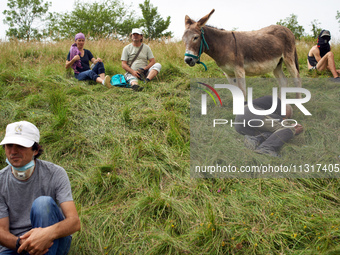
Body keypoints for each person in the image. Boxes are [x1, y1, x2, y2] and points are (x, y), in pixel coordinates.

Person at [0, 121, 80, 255]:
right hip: (16, 245)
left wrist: (46, 235)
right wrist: (24, 243)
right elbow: (2, 231)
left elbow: (74, 222)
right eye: (9, 145)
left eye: (20, 145)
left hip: (52, 240)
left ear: (35, 150)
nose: (13, 151)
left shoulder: (55, 173)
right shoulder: (1, 180)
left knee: (43, 204)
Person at [234, 96, 304, 157]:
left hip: (239, 124)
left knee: (276, 132)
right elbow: (284, 124)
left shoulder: (266, 105)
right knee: (288, 128)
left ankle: (254, 139)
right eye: (287, 116)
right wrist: (292, 129)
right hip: (250, 112)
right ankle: (266, 148)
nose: (285, 119)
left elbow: (278, 131)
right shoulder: (279, 102)